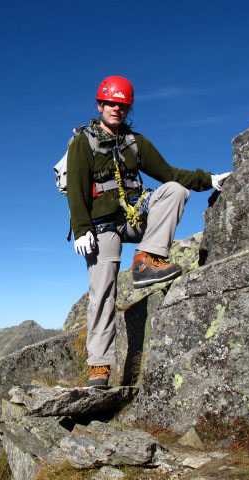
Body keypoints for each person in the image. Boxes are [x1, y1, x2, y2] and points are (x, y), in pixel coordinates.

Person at [66, 76, 231, 387]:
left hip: (133, 216)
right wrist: (81, 229)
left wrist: (208, 179)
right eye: (111, 103)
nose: (116, 109)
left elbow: (170, 174)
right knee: (102, 291)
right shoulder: (83, 143)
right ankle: (99, 366)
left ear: (128, 108)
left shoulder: (134, 143)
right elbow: (76, 189)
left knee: (174, 190)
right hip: (101, 227)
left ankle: (147, 258)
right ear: (100, 105)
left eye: (122, 105)